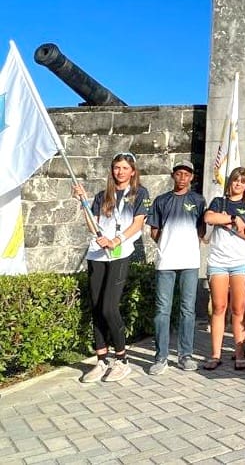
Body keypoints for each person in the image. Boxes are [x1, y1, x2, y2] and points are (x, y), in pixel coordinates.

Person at [73, 152, 151, 383]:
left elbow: (137, 224)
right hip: (97, 254)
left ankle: (122, 359)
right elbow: (92, 225)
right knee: (97, 307)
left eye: (125, 168)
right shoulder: (102, 195)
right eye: (116, 167)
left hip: (119, 253)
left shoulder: (139, 193)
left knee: (109, 307)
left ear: (132, 171)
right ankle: (101, 360)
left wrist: (115, 241)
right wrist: (83, 204)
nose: (120, 171)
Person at [146, 160, 206, 375]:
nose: (182, 177)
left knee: (187, 309)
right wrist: (167, 245)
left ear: (191, 177)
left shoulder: (198, 200)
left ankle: (185, 355)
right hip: (166, 262)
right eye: (179, 173)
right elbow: (154, 230)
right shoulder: (162, 200)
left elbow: (201, 229)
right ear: (173, 175)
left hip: (189, 262)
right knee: (162, 310)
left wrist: (187, 245)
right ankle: (161, 357)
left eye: (186, 174)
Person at [202, 167, 245, 370]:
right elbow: (209, 217)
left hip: (240, 262)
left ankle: (239, 353)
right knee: (218, 308)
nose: (238, 184)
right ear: (230, 182)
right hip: (218, 260)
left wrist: (228, 224)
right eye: (235, 180)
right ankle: (215, 354)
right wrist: (234, 219)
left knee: (239, 309)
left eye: (243, 181)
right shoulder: (219, 201)